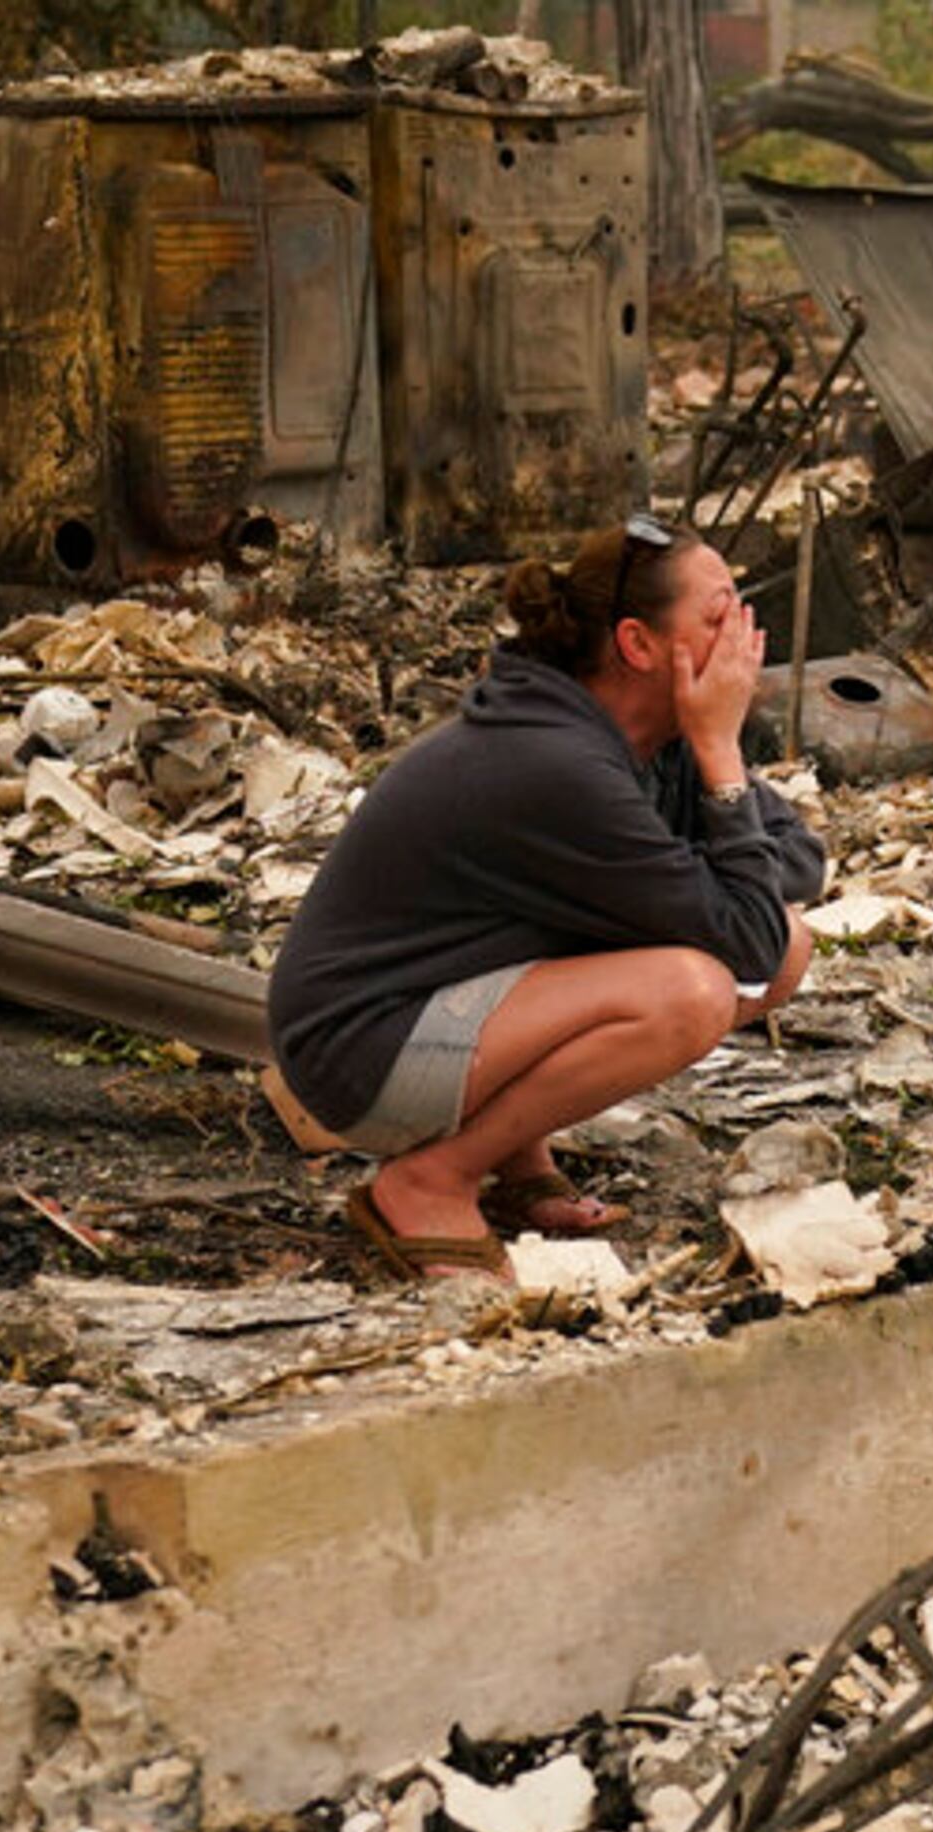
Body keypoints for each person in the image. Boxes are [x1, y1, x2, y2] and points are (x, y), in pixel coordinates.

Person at [268, 517, 824, 1281]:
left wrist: (708, 813)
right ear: (638, 644)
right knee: (689, 991)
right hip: (361, 1043)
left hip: (450, 1008)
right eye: (719, 615)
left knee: (785, 944)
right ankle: (432, 1180)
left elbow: (798, 861)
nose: (744, 640)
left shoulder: (648, 737)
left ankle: (516, 1162)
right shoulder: (556, 760)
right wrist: (723, 758)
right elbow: (743, 938)